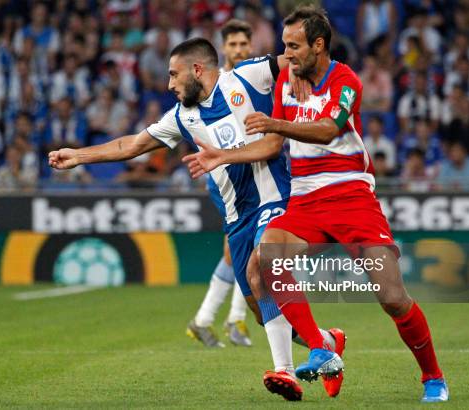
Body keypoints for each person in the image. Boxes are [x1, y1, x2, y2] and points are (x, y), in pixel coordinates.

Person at [183, 6, 448, 403]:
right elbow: (273, 145)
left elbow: (327, 130)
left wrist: (276, 123)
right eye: (284, 46)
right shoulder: (287, 83)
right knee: (264, 261)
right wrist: (222, 156)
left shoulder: (346, 80)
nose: (287, 55)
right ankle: (321, 346)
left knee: (392, 297)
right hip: (305, 198)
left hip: (351, 196)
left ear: (318, 45)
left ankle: (433, 377)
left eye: (294, 47)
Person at [50, 37, 335, 402]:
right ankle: (326, 340)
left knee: (261, 269)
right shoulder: (182, 118)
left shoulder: (245, 78)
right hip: (237, 220)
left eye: (173, 74)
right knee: (263, 312)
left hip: (276, 198)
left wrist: (298, 73)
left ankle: (286, 371)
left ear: (197, 69)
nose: (169, 84)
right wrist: (79, 156)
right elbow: (132, 145)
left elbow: (295, 56)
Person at [186, 19, 255, 349]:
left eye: (244, 44)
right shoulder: (216, 84)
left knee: (242, 249)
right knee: (244, 247)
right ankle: (227, 319)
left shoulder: (253, 79)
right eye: (233, 45)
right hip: (227, 180)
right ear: (223, 48)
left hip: (251, 176)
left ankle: (212, 320)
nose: (239, 50)